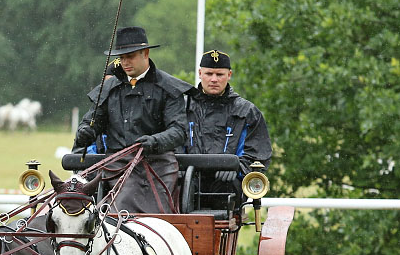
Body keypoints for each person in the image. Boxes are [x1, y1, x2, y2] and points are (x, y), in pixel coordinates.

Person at [73, 26, 192, 213]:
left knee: (157, 213)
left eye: (130, 57)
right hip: (117, 166)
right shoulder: (109, 88)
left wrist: (155, 141)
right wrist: (86, 131)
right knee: (112, 207)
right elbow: (92, 121)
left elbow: (179, 131)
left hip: (157, 165)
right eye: (122, 58)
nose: (125, 63)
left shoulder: (168, 87)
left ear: (146, 53)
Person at [185, 49, 272, 210]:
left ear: (229, 75)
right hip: (187, 183)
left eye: (220, 75)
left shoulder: (247, 112)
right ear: (199, 73)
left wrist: (237, 168)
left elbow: (258, 155)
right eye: (209, 73)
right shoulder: (183, 108)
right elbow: (172, 146)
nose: (213, 79)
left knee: (226, 188)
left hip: (228, 189)